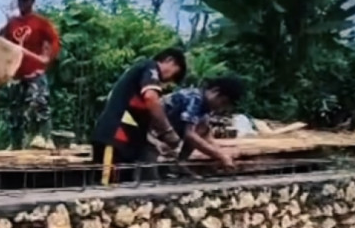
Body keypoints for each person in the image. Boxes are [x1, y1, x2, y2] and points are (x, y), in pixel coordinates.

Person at [90, 48, 188, 185]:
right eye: (173, 75)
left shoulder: (137, 88)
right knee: (106, 188)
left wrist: (157, 143)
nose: (167, 82)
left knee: (122, 187)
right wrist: (168, 131)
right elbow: (151, 98)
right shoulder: (150, 66)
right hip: (115, 138)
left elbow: (140, 119)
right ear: (169, 61)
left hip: (124, 145)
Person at [0, 0, 61, 150]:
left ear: (32, 1)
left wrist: (47, 57)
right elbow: (3, 42)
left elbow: (54, 40)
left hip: (35, 70)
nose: (21, 3)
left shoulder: (40, 22)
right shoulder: (12, 24)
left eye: (25, 0)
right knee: (14, 108)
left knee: (40, 102)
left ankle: (45, 137)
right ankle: (15, 143)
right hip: (17, 72)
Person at [161, 76, 245, 168]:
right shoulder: (195, 98)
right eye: (223, 103)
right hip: (153, 128)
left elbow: (205, 135)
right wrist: (220, 156)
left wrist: (221, 153)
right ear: (215, 91)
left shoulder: (205, 108)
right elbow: (189, 134)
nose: (221, 108)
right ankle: (177, 164)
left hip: (168, 130)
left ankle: (181, 163)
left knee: (202, 127)